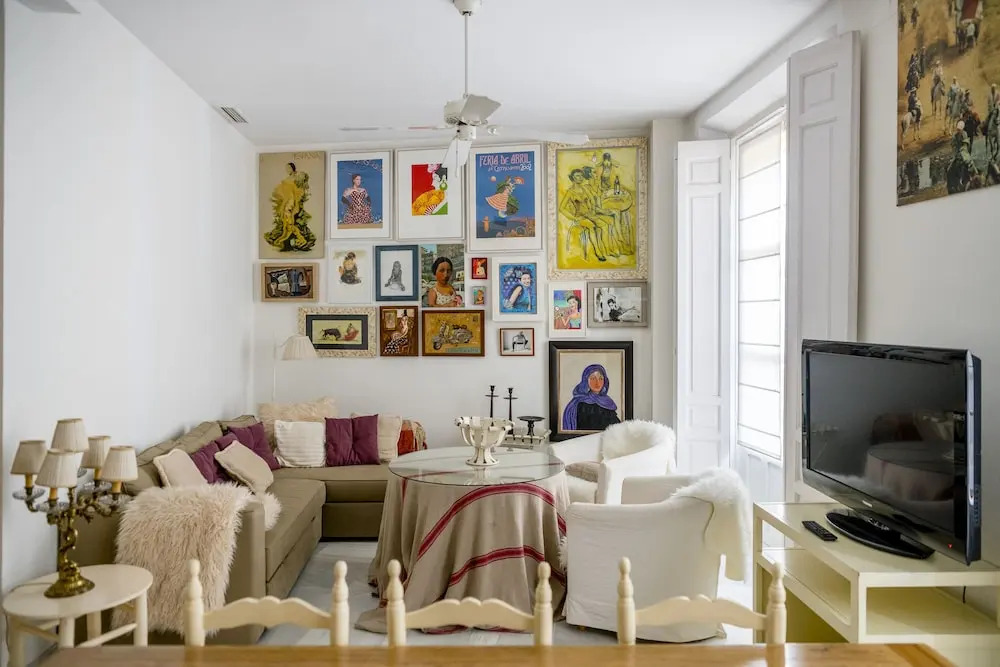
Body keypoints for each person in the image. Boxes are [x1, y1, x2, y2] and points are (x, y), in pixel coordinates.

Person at [265, 162, 316, 252]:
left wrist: (292, 207)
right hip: (287, 205)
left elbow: (296, 194)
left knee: (290, 226)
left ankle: (300, 240)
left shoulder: (297, 179)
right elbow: (286, 195)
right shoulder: (287, 180)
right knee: (287, 227)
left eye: (289, 168)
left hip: (291, 205)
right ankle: (286, 241)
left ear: (293, 168)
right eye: (286, 168)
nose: (287, 170)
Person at [561, 364, 621, 432]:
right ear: (586, 380)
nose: (597, 382)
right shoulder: (580, 404)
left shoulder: (608, 403)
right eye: (593, 378)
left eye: (601, 378)